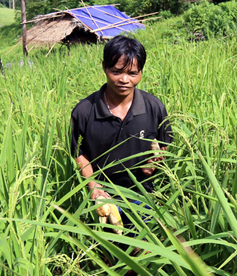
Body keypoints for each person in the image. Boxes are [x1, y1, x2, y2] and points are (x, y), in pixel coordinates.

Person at [70, 35, 172, 227]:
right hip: (102, 198)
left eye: (133, 73)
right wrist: (93, 185)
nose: (124, 80)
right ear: (104, 67)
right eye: (116, 72)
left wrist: (155, 161)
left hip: (141, 196)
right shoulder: (84, 111)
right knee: (108, 251)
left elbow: (165, 143)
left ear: (141, 71)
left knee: (142, 249)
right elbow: (78, 152)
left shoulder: (153, 107)